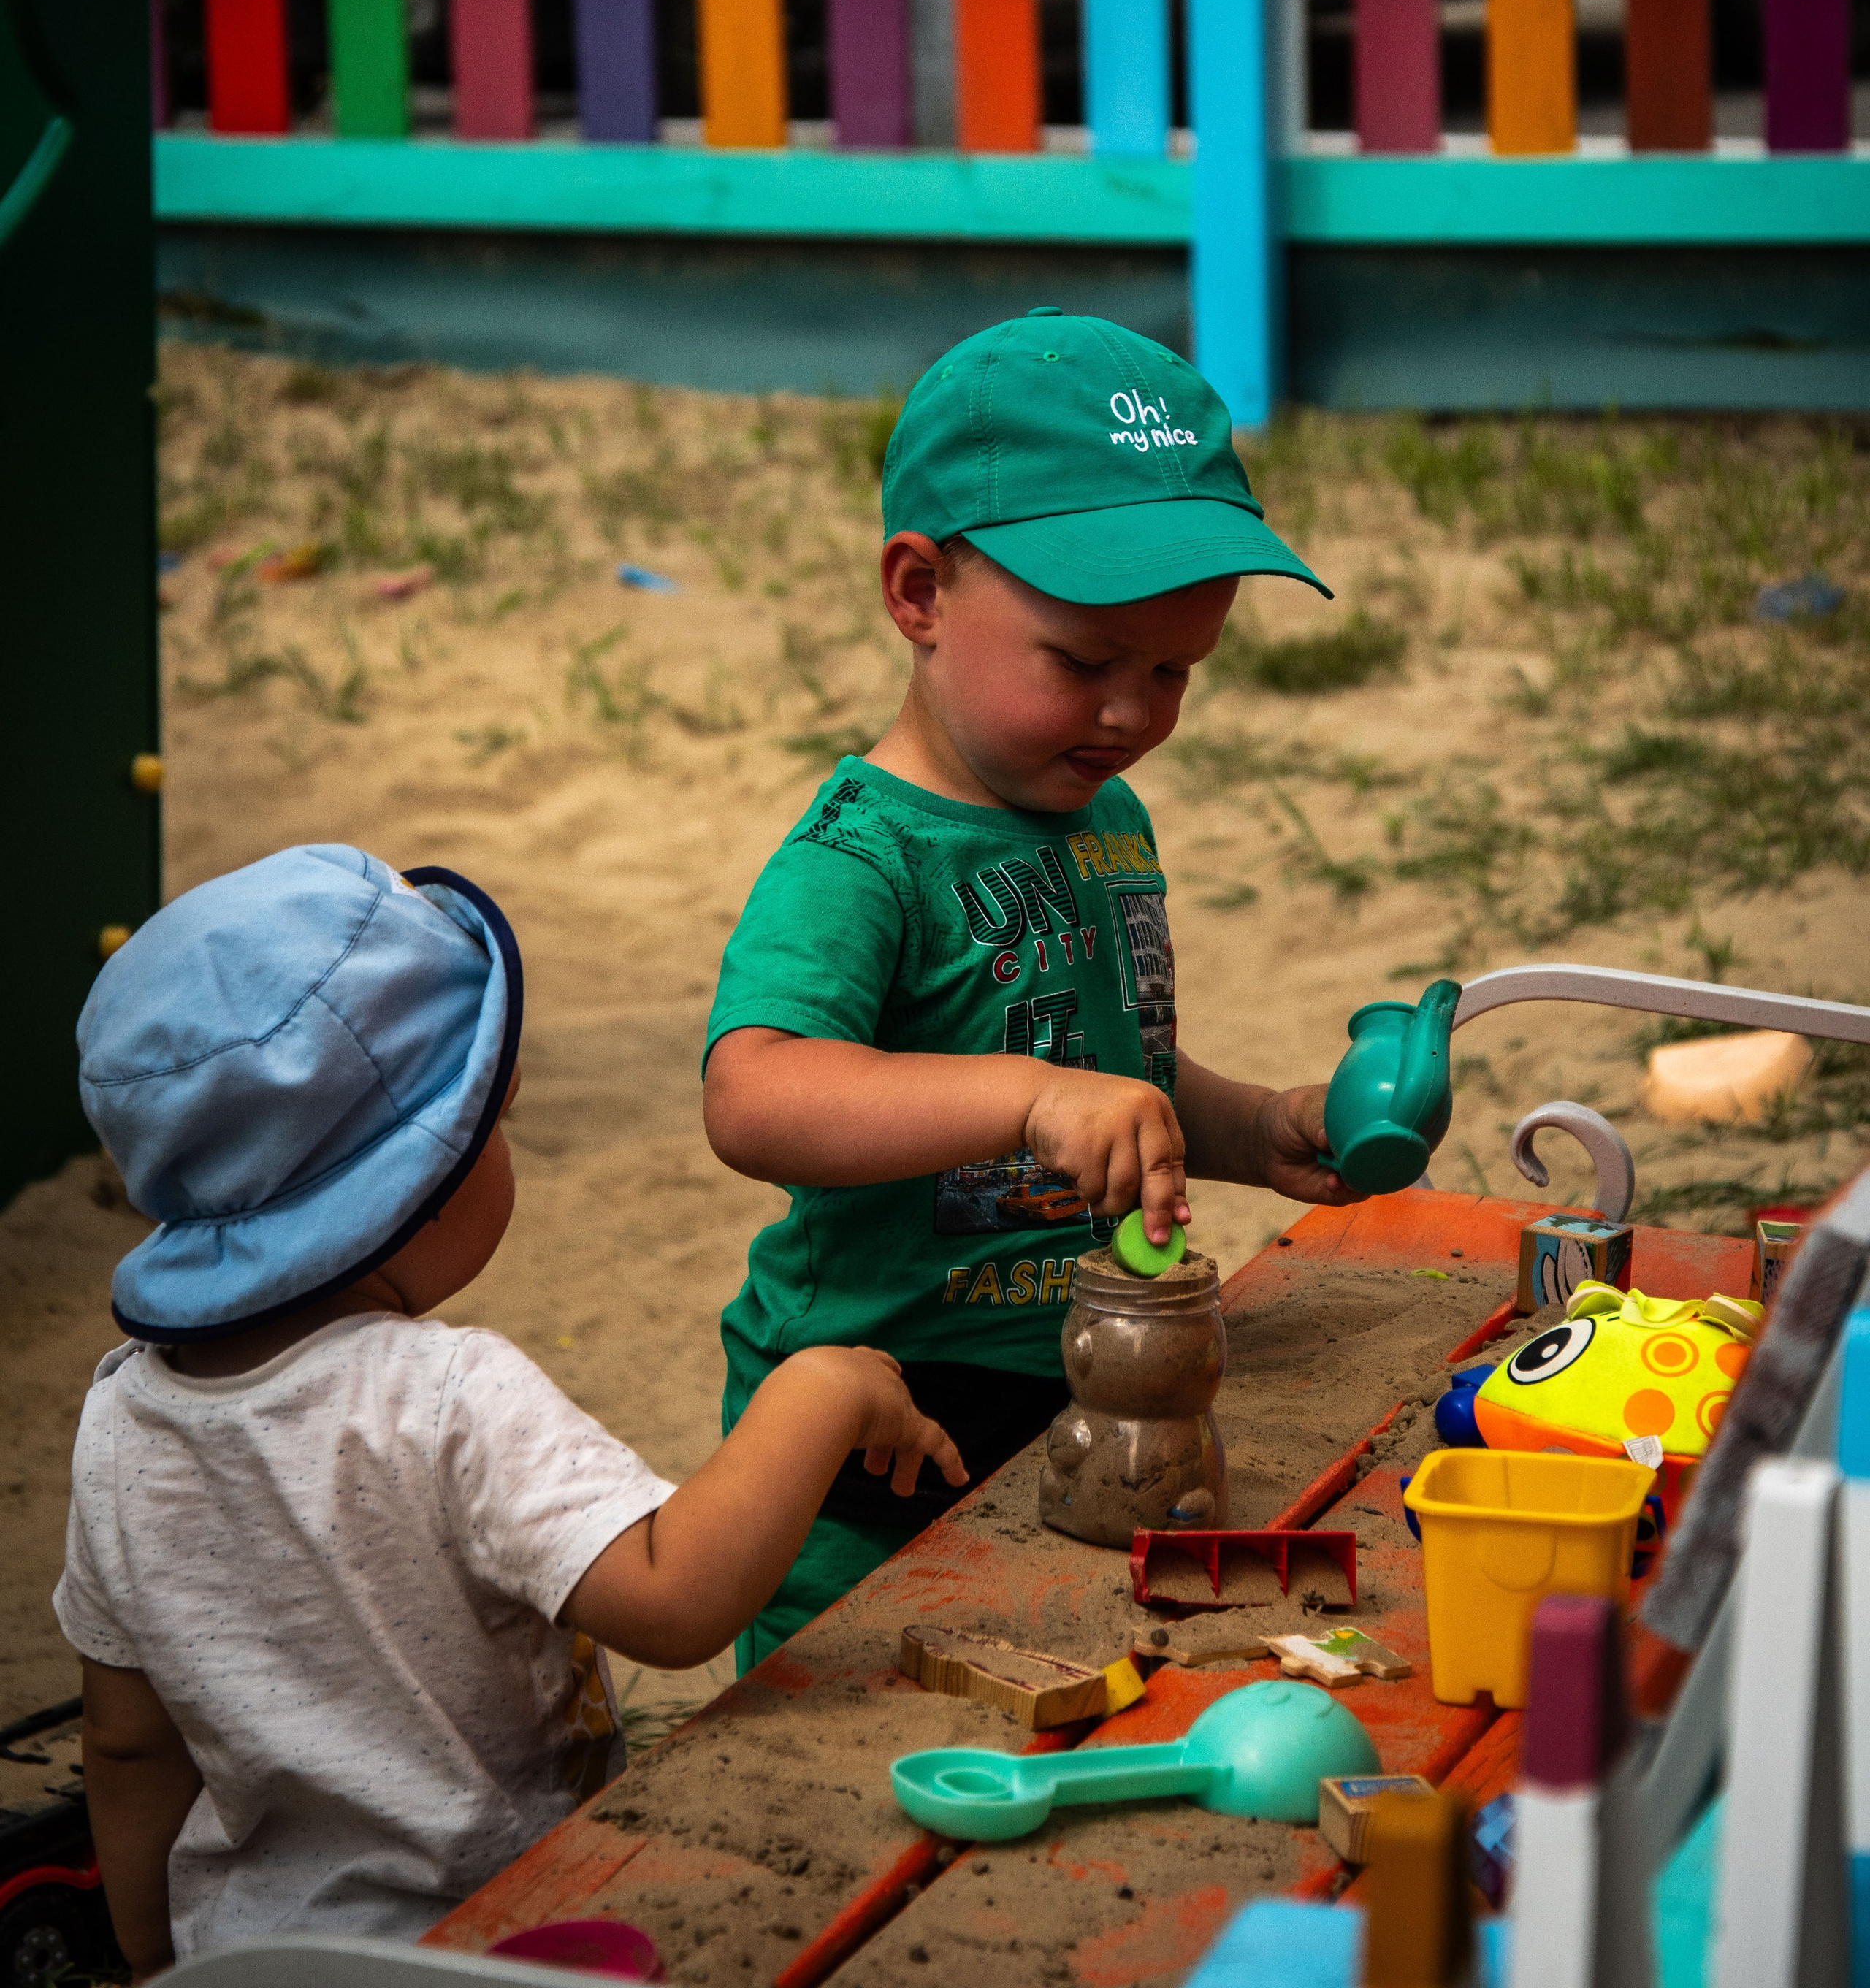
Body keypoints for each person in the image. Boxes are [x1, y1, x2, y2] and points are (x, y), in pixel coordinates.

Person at [55, 845, 960, 1970]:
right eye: (497, 1124)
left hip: (255, 1961)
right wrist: (819, 1391)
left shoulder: (120, 1423)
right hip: (503, 1942)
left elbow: (127, 1745)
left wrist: (161, 1966)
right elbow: (674, 1605)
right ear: (417, 1185)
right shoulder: (442, 1398)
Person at [705, 308, 1379, 1674]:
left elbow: (1104, 1056)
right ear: (919, 596)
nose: (1130, 713)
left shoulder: (1107, 819)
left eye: (1174, 670)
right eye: (1082, 663)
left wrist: (1256, 1128)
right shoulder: (864, 856)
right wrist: (1028, 1099)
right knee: (870, 1722)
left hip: (1078, 1381)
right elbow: (755, 1092)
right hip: (881, 1414)